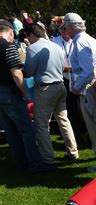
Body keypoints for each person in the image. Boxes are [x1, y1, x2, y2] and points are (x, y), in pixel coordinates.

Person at [23, 23, 79, 164]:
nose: (27, 39)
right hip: (60, 86)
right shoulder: (56, 45)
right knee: (63, 120)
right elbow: (63, 67)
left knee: (41, 124)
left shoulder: (32, 49)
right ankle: (73, 152)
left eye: (27, 36)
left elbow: (28, 72)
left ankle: (47, 157)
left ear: (31, 34)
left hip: (45, 89)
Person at [0, 19, 49, 173]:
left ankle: (21, 163)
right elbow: (16, 72)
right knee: (27, 129)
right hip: (10, 93)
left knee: (10, 131)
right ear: (10, 32)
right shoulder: (8, 46)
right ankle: (35, 164)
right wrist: (26, 93)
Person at [64, 12, 96, 172]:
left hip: (88, 87)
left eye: (66, 26)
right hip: (94, 85)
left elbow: (87, 70)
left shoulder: (80, 42)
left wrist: (77, 86)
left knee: (95, 126)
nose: (65, 30)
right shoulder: (88, 39)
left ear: (72, 26)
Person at [52, 17, 87, 145]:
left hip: (80, 78)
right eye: (62, 29)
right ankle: (76, 136)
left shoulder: (78, 40)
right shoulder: (55, 42)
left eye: (66, 29)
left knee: (82, 108)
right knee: (71, 109)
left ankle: (86, 133)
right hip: (65, 79)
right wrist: (64, 68)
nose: (64, 32)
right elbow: (54, 61)